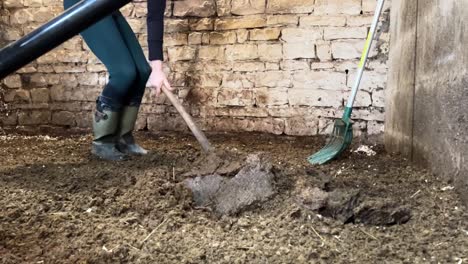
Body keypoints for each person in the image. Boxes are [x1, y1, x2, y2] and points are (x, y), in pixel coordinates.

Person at [63, 0, 172, 161]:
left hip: (107, 7)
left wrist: (157, 69)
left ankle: (123, 138)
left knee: (142, 71)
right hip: (83, 3)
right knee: (123, 73)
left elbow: (155, 16)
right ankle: (102, 142)